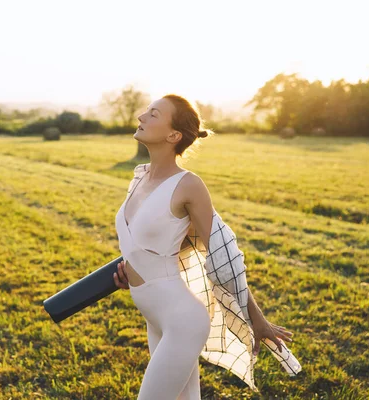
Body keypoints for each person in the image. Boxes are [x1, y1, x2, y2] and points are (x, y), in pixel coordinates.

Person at [112, 94, 295, 399]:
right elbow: (165, 245)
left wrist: (256, 319)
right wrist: (128, 271)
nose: (141, 117)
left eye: (153, 114)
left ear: (174, 136)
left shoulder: (188, 185)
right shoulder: (140, 177)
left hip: (181, 320)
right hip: (153, 315)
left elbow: (222, 258)